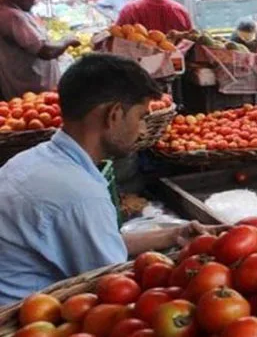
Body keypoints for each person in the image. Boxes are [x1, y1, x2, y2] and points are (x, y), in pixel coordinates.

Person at [0, 54, 224, 304]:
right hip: (17, 325)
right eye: (140, 116)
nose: (141, 130)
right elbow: (117, 287)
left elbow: (99, 242)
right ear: (114, 114)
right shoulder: (79, 194)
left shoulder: (34, 160)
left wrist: (174, 235)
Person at [0, 0, 79, 100]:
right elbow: (46, 51)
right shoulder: (13, 17)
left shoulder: (16, 13)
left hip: (34, 91)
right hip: (31, 92)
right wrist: (66, 41)